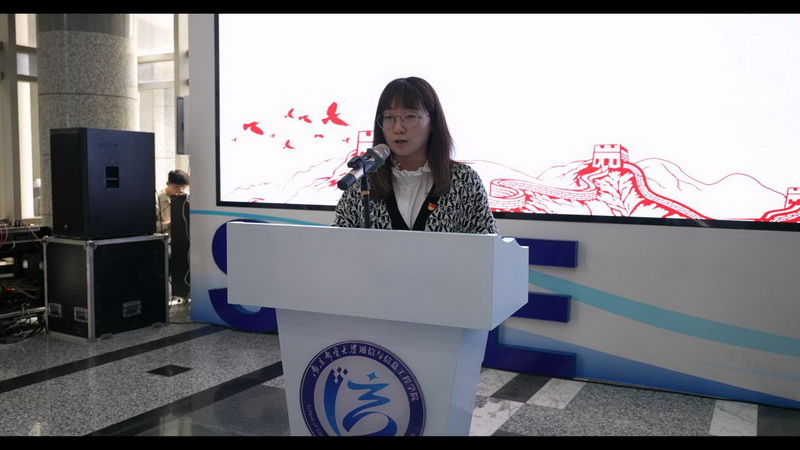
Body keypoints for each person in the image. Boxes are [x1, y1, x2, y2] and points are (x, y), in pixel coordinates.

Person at [333, 77, 497, 234]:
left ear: (433, 122)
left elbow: (489, 245)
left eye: (410, 116)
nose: (398, 128)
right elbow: (336, 242)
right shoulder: (363, 177)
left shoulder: (464, 180)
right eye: (389, 117)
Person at [156, 169, 190, 237]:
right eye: (177, 187)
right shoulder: (156, 199)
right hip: (165, 239)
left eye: (183, 188)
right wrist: (168, 225)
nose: (180, 190)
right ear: (168, 183)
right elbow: (148, 226)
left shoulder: (187, 197)